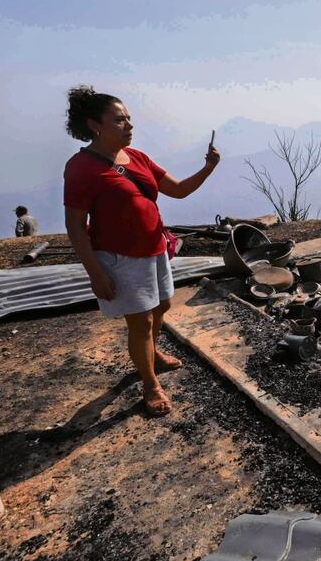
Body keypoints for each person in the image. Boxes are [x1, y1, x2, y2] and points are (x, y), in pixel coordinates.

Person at [63, 86, 220, 416]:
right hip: (120, 258)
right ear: (95, 125)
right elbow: (76, 226)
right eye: (119, 120)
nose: (129, 125)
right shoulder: (82, 168)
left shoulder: (136, 158)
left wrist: (208, 168)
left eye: (129, 118)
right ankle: (150, 385)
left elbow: (176, 190)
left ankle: (153, 356)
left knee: (162, 305)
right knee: (142, 323)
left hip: (155, 248)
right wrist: (96, 273)